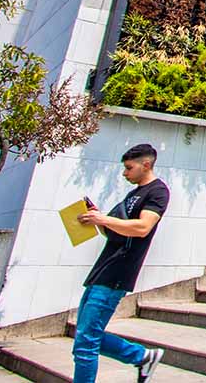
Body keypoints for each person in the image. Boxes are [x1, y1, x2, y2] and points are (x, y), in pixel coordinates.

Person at [74, 144, 170, 383]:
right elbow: (115, 234)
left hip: (117, 273)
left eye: (129, 168)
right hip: (102, 270)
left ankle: (143, 356)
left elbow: (142, 228)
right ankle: (142, 356)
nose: (125, 173)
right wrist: (98, 221)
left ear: (146, 164)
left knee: (86, 343)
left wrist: (103, 218)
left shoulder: (158, 191)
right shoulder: (133, 194)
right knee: (85, 336)